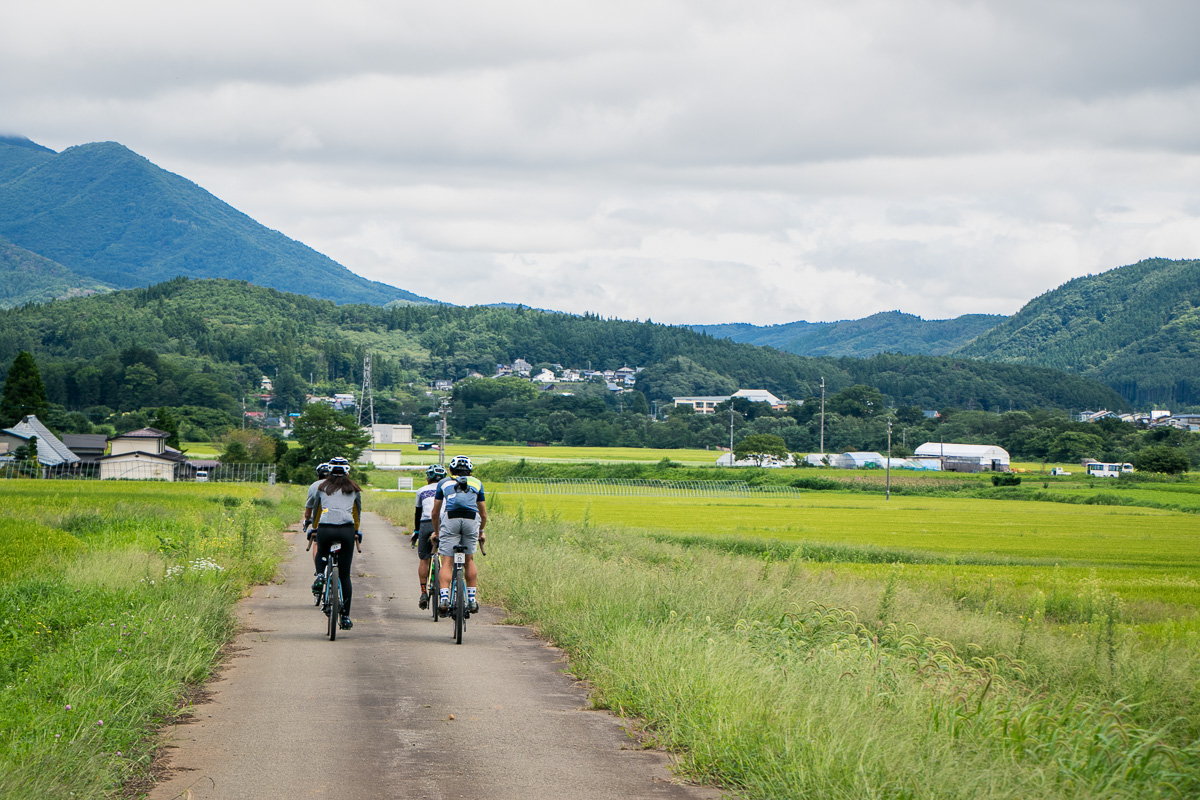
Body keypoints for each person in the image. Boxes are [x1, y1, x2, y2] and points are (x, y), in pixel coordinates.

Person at [306, 457, 362, 630]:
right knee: (345, 576)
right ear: (347, 472)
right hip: (346, 530)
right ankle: (345, 617)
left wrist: (313, 528)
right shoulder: (354, 489)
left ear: (329, 472)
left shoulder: (321, 488)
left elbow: (316, 511)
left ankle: (321, 575)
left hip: (325, 528)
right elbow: (356, 513)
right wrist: (356, 531)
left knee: (322, 552)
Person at [430, 455, 486, 614]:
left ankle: (444, 598)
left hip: (451, 518)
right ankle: (472, 599)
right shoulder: (477, 483)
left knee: (447, 560)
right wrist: (481, 532)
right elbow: (483, 514)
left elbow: (435, 513)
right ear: (470, 470)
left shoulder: (443, 483)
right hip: (471, 520)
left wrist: (437, 532)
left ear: (451, 470)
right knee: (469, 560)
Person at [413, 463, 446, 609]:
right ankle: (445, 592)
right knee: (447, 559)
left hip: (426, 523)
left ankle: (423, 592)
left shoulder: (421, 490)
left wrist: (416, 531)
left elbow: (418, 513)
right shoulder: (448, 489)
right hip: (444, 523)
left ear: (428, 478)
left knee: (424, 559)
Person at [303, 462, 331, 588]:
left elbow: (309, 508)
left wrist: (307, 520)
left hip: (320, 523)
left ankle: (319, 572)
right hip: (343, 524)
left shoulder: (315, 486)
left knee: (317, 543)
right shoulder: (339, 485)